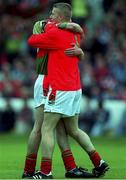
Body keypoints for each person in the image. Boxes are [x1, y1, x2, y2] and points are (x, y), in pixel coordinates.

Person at [28, 3, 109, 179]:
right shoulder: (75, 33)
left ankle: (43, 172)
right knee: (70, 129)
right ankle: (97, 163)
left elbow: (32, 40)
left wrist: (57, 27)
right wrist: (74, 32)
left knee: (45, 128)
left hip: (56, 84)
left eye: (53, 14)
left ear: (60, 17)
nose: (49, 17)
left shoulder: (53, 32)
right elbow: (79, 31)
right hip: (74, 87)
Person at [22, 18, 91, 179]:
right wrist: (68, 25)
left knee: (59, 129)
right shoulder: (49, 30)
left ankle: (68, 168)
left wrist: (80, 51)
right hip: (47, 79)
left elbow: (77, 31)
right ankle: (32, 171)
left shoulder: (51, 31)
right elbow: (75, 29)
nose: (52, 18)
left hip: (53, 80)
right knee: (41, 128)